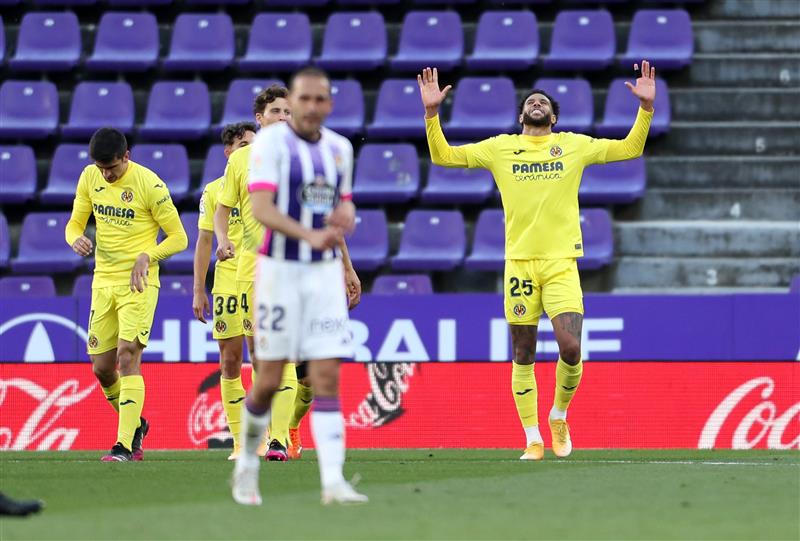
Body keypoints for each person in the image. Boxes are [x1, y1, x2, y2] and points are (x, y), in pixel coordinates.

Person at [418, 61, 657, 460]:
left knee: (570, 348)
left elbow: (630, 147)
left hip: (562, 261)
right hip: (520, 263)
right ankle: (532, 437)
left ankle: (559, 416)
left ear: (554, 117)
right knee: (523, 352)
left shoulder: (575, 145)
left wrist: (645, 108)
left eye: (543, 101)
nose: (536, 102)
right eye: (531, 100)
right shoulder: (499, 148)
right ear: (521, 115)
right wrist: (431, 114)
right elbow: (443, 157)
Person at [231, 66, 367, 506]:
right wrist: (307, 235)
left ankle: (333, 481)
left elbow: (338, 209)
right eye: (302, 100)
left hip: (323, 273)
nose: (310, 107)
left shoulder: (340, 150)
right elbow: (262, 208)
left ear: (328, 104)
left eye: (318, 100)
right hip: (279, 272)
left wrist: (345, 253)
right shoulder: (269, 145)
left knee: (326, 376)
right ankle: (246, 469)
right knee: (268, 379)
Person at [66, 127, 188, 461]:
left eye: (113, 168)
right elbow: (74, 223)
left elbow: (179, 237)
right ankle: (135, 424)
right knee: (102, 369)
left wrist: (148, 256)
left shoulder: (150, 184)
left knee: (127, 356)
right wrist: (73, 238)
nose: (107, 174)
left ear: (127, 157)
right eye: (102, 168)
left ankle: (123, 445)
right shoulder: (90, 177)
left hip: (139, 282)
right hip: (102, 282)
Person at [193, 121, 257, 460]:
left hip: (258, 276)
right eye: (243, 145)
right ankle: (240, 441)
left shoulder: (265, 184)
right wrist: (198, 289)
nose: (250, 150)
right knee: (230, 360)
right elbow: (204, 240)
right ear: (228, 152)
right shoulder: (213, 190)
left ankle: (271, 438)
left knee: (264, 357)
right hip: (226, 284)